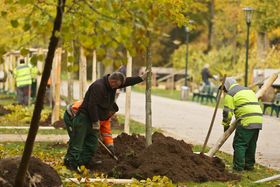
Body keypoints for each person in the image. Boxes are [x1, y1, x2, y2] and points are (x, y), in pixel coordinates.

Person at [63, 71, 148, 171]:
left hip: (95, 119)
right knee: (77, 143)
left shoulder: (113, 85)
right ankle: (70, 165)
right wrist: (95, 121)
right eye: (117, 85)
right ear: (112, 81)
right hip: (84, 117)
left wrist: (140, 78)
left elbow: (125, 82)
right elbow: (92, 105)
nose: (117, 88)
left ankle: (81, 163)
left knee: (91, 145)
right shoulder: (98, 86)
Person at [221, 77, 263, 171]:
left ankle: (238, 168)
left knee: (239, 144)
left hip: (246, 120)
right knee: (251, 143)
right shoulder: (247, 90)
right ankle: (249, 165)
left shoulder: (231, 94)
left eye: (224, 89)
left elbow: (227, 113)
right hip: (258, 119)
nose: (224, 91)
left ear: (227, 86)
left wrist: (226, 126)